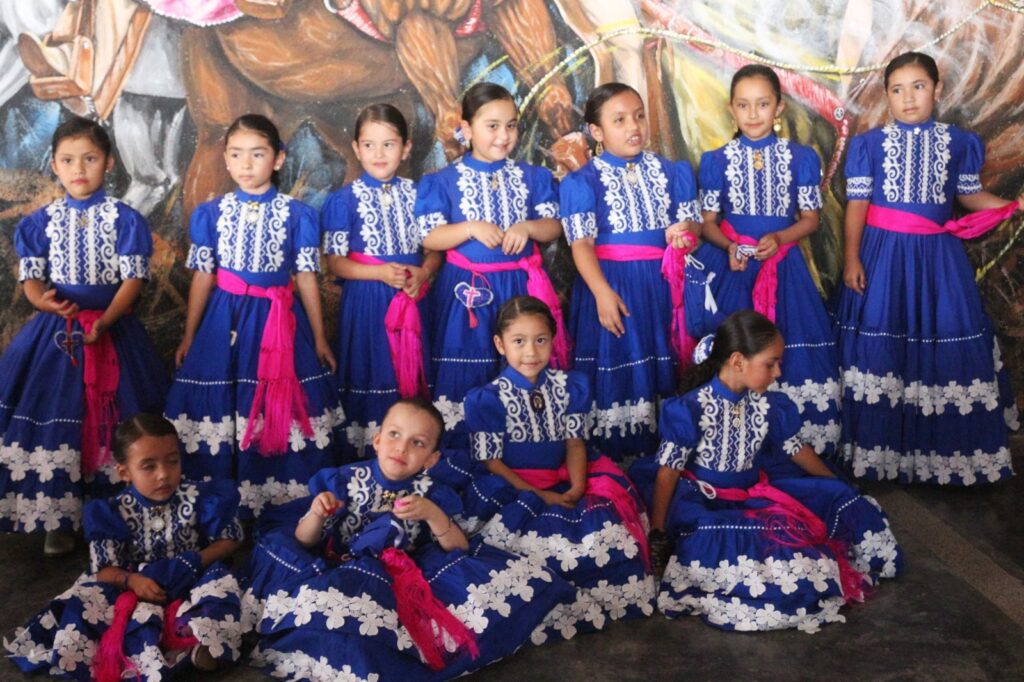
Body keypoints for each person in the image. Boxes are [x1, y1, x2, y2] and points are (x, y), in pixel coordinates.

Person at [242, 398, 575, 680]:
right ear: (377, 440)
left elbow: (457, 547)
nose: (401, 447)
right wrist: (317, 514)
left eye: (417, 443)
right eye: (394, 435)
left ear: (431, 459)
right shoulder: (343, 480)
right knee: (340, 620)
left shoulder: (432, 493)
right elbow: (304, 541)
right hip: (343, 571)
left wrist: (432, 514)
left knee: (485, 594)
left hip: (404, 579)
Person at [632, 311, 902, 633]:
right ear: (737, 361)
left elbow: (796, 450)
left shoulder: (769, 405)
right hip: (704, 500)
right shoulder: (690, 408)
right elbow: (667, 473)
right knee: (723, 537)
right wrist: (658, 532)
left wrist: (834, 482)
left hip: (754, 493)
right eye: (770, 363)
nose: (778, 372)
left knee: (839, 497)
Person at [836, 51, 1022, 485]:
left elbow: (970, 197)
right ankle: (883, 454)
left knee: (941, 341)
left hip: (937, 260)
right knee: (887, 344)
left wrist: (1012, 206)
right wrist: (851, 258)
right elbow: (857, 206)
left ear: (937, 89)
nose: (908, 98)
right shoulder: (870, 145)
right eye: (897, 90)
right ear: (887, 97)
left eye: (918, 86)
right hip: (883, 257)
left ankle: (938, 457)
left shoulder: (959, 143)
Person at [0, 115, 168, 555]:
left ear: (108, 163)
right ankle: (61, 517)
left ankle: (117, 512)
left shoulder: (125, 219)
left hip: (112, 328)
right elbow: (32, 281)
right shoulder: (40, 224)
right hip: (60, 334)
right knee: (62, 420)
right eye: (68, 160)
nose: (79, 169)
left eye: (90, 159)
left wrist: (107, 320)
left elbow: (132, 281)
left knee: (118, 418)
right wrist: (42, 302)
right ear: (54, 165)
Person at [165, 114, 343, 518]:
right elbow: (203, 278)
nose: (246, 165)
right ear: (226, 160)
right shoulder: (210, 215)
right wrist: (190, 335)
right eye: (236, 154)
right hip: (224, 319)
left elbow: (306, 278)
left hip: (277, 319)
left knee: (277, 398)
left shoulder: (298, 214)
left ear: (278, 159)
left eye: (257, 154)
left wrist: (318, 337)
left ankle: (275, 499)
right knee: (226, 399)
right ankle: (224, 503)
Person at [464, 296, 655, 639]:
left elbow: (574, 443)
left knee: (601, 532)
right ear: (499, 344)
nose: (531, 352)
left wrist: (578, 489)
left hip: (567, 477)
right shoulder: (487, 398)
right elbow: (491, 460)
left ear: (554, 340)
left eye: (541, 340)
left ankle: (594, 599)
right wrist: (538, 495)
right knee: (525, 551)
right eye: (518, 342)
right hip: (515, 487)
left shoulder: (570, 386)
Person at [5, 413, 246, 679]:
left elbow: (231, 537)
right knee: (100, 608)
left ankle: (200, 643)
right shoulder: (112, 512)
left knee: (220, 586)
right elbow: (104, 570)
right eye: (148, 466)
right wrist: (132, 581)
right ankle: (147, 656)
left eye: (172, 461)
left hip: (190, 573)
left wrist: (194, 561)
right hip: (134, 582)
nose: (163, 475)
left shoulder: (198, 497)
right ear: (124, 472)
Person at [689, 64, 841, 462]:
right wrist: (730, 246)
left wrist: (780, 237)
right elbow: (707, 224)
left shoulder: (800, 158)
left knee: (786, 348)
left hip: (783, 268)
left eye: (762, 104)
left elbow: (811, 219)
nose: (753, 113)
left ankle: (790, 446)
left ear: (779, 107)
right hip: (733, 268)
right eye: (743, 105)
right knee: (735, 348)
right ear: (731, 109)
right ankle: (730, 446)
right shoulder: (716, 160)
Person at [415, 81, 567, 446]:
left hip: (519, 290)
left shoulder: (533, 177)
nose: (504, 135)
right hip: (465, 293)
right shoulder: (442, 181)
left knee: (521, 364)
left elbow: (554, 226)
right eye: (492, 126)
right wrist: (468, 228)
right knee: (469, 366)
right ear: (466, 129)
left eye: (511, 125)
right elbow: (429, 237)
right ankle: (466, 451)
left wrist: (528, 227)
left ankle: (523, 451)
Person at [560, 82, 700, 460]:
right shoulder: (583, 182)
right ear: (597, 131)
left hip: (662, 286)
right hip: (612, 285)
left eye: (638, 116)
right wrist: (603, 293)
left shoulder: (671, 172)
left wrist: (685, 233)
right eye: (619, 120)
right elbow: (582, 244)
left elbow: (693, 226)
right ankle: (618, 458)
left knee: (663, 361)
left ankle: (664, 457)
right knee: (618, 360)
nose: (633, 126)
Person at [322, 103, 441, 459]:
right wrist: (378, 272)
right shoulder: (342, 201)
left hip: (414, 297)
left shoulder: (421, 194)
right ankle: (371, 456)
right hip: (367, 302)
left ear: (405, 149)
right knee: (372, 369)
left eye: (388, 144)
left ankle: (415, 452)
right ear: (356, 149)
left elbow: (435, 250)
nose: (378, 154)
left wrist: (424, 272)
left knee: (415, 372)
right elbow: (337, 263)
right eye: (369, 145)